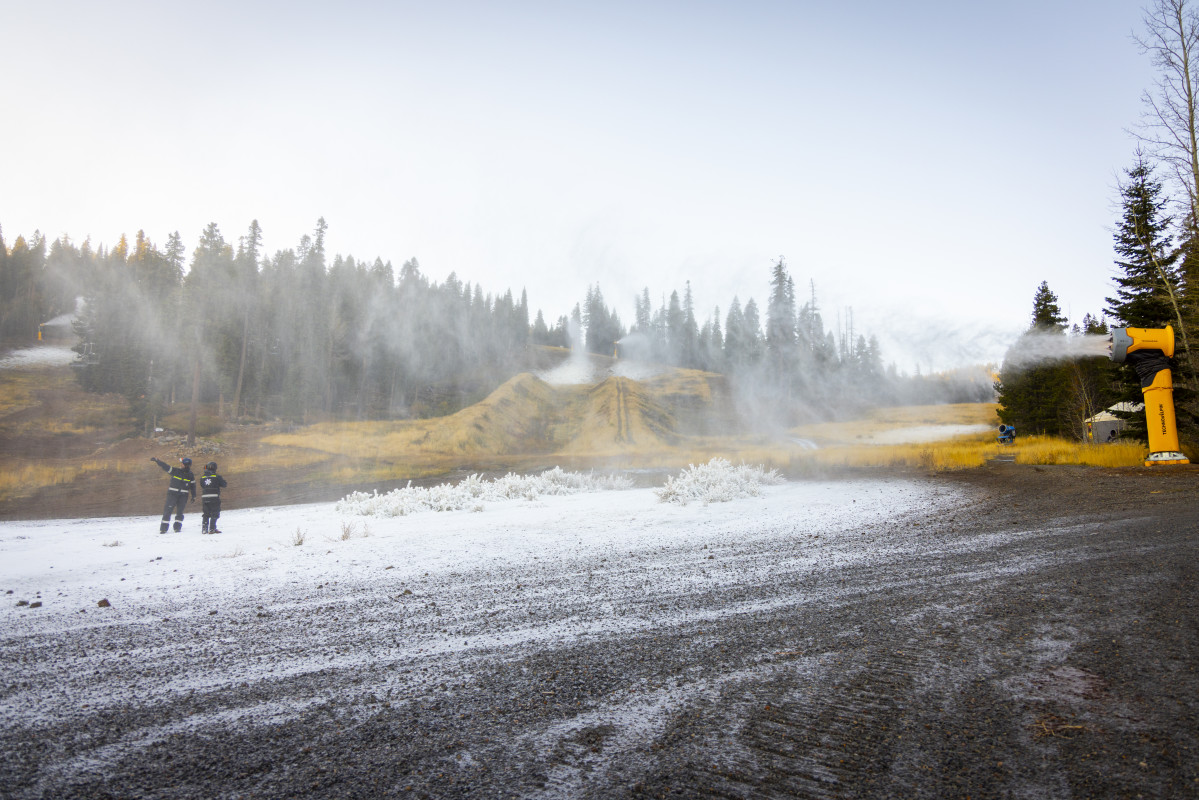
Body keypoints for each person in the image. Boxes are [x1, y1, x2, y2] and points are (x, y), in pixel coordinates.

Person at [151, 456, 196, 533]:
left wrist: (194, 496)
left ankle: (177, 528)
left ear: (186, 465)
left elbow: (193, 486)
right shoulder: (175, 471)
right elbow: (165, 466)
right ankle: (163, 529)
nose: (180, 465)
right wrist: (157, 461)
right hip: (172, 495)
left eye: (182, 464)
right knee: (167, 511)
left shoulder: (191, 475)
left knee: (180, 512)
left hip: (183, 496)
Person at [199, 461, 228, 534]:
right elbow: (224, 484)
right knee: (215, 513)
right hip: (214, 498)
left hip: (205, 498)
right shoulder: (217, 477)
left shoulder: (202, 477)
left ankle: (204, 529)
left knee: (206, 513)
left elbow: (202, 485)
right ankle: (212, 529)